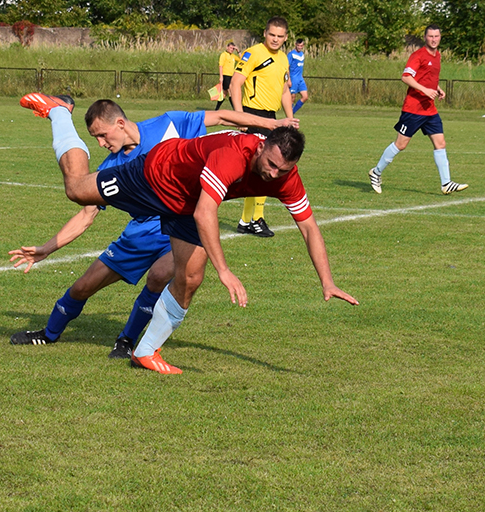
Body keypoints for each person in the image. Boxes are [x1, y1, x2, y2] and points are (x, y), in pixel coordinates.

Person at [18, 92, 358, 374]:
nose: (273, 174)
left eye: (282, 170)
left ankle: (145, 352)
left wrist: (327, 281)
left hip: (186, 202)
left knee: (190, 278)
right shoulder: (233, 155)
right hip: (153, 178)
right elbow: (205, 212)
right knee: (77, 189)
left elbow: (309, 227)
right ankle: (60, 112)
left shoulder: (285, 177)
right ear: (259, 148)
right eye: (270, 164)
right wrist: (225, 270)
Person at [369, 25, 468, 195]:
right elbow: (406, 77)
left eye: (436, 36)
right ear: (425, 37)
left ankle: (446, 183)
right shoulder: (418, 55)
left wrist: (437, 88)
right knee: (401, 144)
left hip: (430, 110)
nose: (434, 39)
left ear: (440, 37)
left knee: (440, 143)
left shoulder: (438, 56)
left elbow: (428, 77)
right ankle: (376, 172)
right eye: (430, 36)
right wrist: (425, 90)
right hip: (413, 109)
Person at [230, 16, 294, 238]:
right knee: (263, 168)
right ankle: (255, 219)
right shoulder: (253, 53)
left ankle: (247, 220)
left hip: (271, 118)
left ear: (285, 38)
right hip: (252, 114)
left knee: (263, 169)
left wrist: (290, 119)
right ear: (265, 33)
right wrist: (240, 116)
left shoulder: (283, 59)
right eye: (272, 35)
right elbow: (235, 83)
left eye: (280, 36)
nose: (275, 39)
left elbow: (284, 91)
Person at [215, 40, 240, 110]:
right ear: (227, 47)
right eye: (230, 48)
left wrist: (238, 51)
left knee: (224, 93)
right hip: (225, 75)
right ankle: (235, 109)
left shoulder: (233, 56)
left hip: (231, 76)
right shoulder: (223, 55)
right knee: (230, 92)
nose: (232, 49)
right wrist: (221, 76)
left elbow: (241, 60)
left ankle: (216, 109)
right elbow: (220, 65)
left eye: (233, 48)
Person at [288, 38, 309, 113]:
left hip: (300, 78)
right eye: (298, 45)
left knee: (305, 97)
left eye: (301, 45)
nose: (300, 47)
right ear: (295, 45)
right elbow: (287, 67)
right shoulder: (291, 54)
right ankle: (290, 116)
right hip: (293, 78)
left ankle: (292, 113)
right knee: (292, 98)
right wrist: (288, 79)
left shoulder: (302, 54)